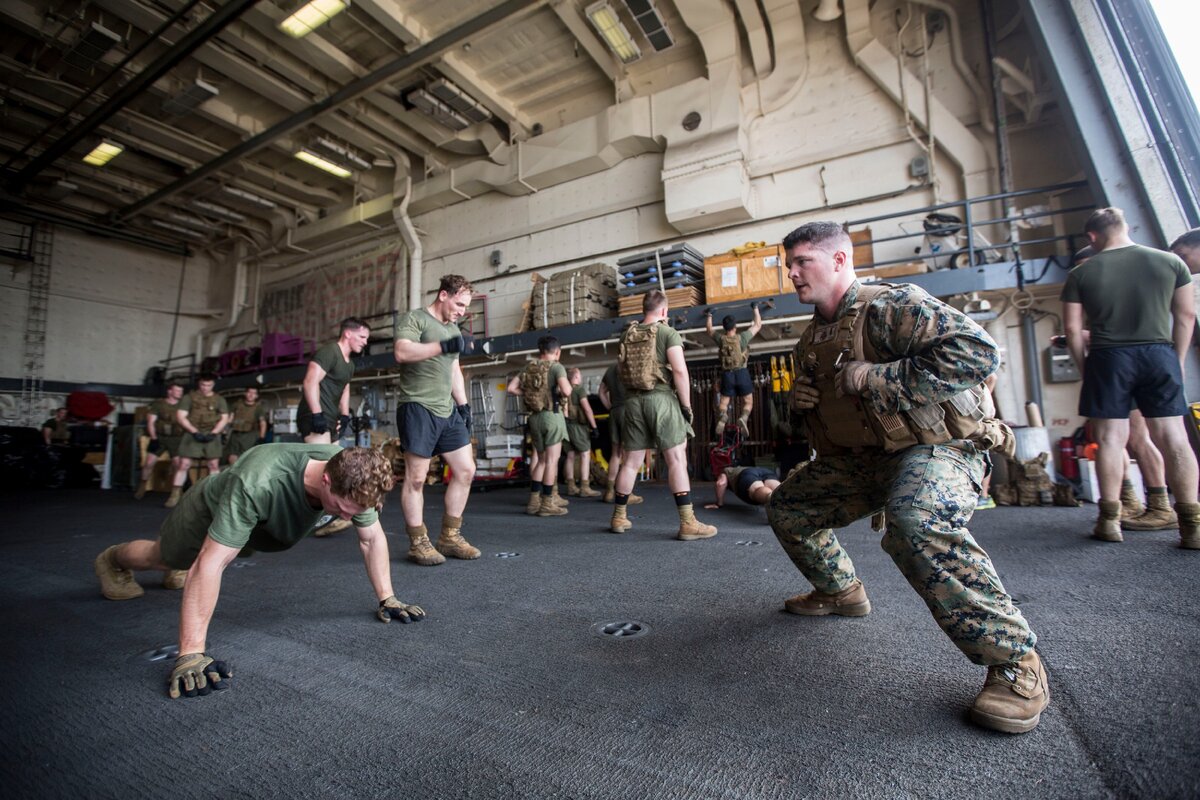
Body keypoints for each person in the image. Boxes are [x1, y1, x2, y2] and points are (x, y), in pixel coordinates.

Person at [767, 221, 1046, 733]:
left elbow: (978, 352)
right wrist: (799, 404)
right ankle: (838, 590)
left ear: (838, 261)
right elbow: (827, 416)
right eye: (788, 264)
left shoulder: (892, 306)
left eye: (802, 261)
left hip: (939, 447)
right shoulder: (810, 339)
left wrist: (878, 377)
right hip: (868, 458)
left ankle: (1015, 662)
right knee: (788, 507)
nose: (791, 273)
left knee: (914, 522)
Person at [93, 445, 423, 699]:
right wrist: (191, 654)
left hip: (259, 524)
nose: (348, 519)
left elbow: (371, 538)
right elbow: (212, 563)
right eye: (341, 510)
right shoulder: (257, 483)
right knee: (165, 557)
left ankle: (178, 574)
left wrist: (388, 598)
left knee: (197, 563)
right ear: (326, 480)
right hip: (208, 512)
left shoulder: (354, 474)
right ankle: (113, 560)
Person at [1062, 208, 1199, 547]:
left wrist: (1086, 368)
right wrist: (1176, 359)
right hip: (1159, 353)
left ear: (1091, 237)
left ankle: (1109, 522)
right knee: (1173, 437)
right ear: (1126, 227)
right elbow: (1185, 316)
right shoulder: (1171, 263)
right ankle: (1192, 525)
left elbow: (1071, 330)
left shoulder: (1083, 272)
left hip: (1109, 357)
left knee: (1109, 438)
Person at [1056, 246, 1175, 530]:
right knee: (1109, 438)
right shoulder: (1095, 293)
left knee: (1138, 437)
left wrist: (1081, 343)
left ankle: (1161, 505)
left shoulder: (1118, 286)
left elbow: (1124, 331)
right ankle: (1129, 500)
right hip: (1116, 367)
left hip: (1127, 367)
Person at [610, 289, 717, 541]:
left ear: (644, 308)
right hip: (661, 399)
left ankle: (618, 516)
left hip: (633, 402)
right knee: (676, 459)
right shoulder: (667, 333)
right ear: (664, 311)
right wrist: (686, 405)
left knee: (630, 463)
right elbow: (679, 371)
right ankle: (688, 522)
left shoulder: (627, 334)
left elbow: (620, 368)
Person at [392, 274, 480, 565]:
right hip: (417, 407)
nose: (462, 311)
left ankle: (450, 537)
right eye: (459, 303)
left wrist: (464, 406)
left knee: (466, 470)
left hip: (447, 410)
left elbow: (454, 367)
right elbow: (402, 351)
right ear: (443, 295)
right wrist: (441, 347)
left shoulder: (452, 327)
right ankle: (418, 542)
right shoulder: (414, 319)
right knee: (416, 478)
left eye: (466, 306)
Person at [508, 337, 574, 517]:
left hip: (534, 418)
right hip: (552, 416)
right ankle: (547, 504)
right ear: (557, 351)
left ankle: (533, 501)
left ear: (540, 350)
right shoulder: (556, 366)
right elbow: (567, 391)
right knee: (552, 461)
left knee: (542, 460)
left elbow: (511, 388)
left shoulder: (528, 367)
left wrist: (528, 393)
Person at [300, 317, 370, 445]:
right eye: (362, 337)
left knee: (333, 462)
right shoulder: (330, 352)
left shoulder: (350, 364)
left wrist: (344, 416)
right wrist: (316, 414)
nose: (365, 342)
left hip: (331, 417)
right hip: (315, 415)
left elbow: (345, 388)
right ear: (347, 333)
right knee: (322, 461)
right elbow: (310, 381)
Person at [166, 375, 230, 509]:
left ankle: (214, 495)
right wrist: (194, 431)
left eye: (209, 385)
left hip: (212, 433)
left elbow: (224, 418)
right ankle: (175, 495)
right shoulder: (189, 398)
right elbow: (181, 416)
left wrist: (215, 432)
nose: (205, 388)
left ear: (213, 385)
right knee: (184, 464)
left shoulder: (219, 399)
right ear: (199, 384)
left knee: (213, 465)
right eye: (203, 385)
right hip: (192, 433)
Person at [705, 303, 763, 437]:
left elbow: (709, 330)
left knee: (724, 402)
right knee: (748, 402)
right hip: (742, 373)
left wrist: (709, 314)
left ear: (724, 327)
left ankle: (724, 416)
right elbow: (758, 325)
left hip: (727, 375)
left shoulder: (721, 339)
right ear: (735, 327)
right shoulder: (742, 338)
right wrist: (755, 308)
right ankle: (744, 417)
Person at [597, 362, 643, 505]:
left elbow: (601, 392)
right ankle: (625, 492)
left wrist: (610, 407)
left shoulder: (610, 369)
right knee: (628, 454)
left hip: (614, 412)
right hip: (628, 411)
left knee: (615, 453)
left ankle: (609, 491)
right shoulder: (632, 365)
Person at [135, 382, 184, 499]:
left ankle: (177, 491)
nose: (180, 393)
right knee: (148, 463)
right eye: (177, 391)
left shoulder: (183, 405)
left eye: (181, 391)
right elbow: (151, 422)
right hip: (160, 436)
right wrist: (154, 438)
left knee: (178, 465)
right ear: (170, 391)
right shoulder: (159, 404)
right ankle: (142, 486)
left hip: (176, 438)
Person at [563, 367, 602, 498]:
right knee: (585, 454)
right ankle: (585, 487)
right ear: (575, 378)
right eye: (579, 375)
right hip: (578, 427)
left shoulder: (563, 390)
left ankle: (571, 486)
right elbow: (587, 409)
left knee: (570, 455)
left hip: (565, 426)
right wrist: (594, 427)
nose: (580, 377)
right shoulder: (579, 390)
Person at [225, 387, 269, 466]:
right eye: (249, 392)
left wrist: (262, 437)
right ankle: (233, 474)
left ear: (256, 396)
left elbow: (263, 423)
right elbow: (229, 419)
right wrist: (224, 431)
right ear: (245, 393)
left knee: (246, 457)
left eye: (254, 393)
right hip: (235, 433)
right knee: (232, 456)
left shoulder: (258, 408)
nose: (251, 395)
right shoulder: (237, 405)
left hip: (249, 435)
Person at [704, 465, 780, 509]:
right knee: (780, 491)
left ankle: (771, 500)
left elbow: (721, 484)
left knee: (757, 489)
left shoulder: (725, 471)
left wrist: (718, 504)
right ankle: (787, 501)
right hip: (764, 471)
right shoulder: (737, 468)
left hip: (747, 474)